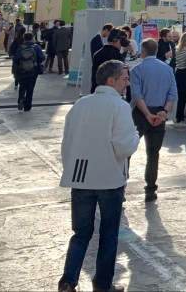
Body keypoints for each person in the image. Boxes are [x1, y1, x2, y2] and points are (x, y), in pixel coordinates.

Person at [58, 59, 140, 292]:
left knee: (81, 233)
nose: (127, 83)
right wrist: (135, 136)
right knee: (108, 234)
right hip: (109, 178)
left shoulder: (80, 104)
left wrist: (72, 168)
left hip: (81, 177)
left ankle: (68, 280)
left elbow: (67, 142)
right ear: (111, 81)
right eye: (124, 79)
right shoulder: (119, 107)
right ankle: (102, 284)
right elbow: (123, 147)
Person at [130, 39, 177, 202]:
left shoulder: (137, 69)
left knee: (127, 151)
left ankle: (120, 188)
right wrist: (164, 111)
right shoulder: (167, 69)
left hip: (141, 112)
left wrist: (146, 113)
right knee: (153, 153)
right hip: (160, 112)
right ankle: (150, 190)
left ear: (143, 52)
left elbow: (137, 95)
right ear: (156, 51)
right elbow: (172, 94)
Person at [14, 32, 45, 111]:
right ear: (32, 38)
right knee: (30, 89)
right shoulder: (36, 47)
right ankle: (27, 106)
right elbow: (42, 58)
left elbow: (16, 59)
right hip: (33, 71)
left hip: (22, 71)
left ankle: (21, 98)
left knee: (22, 87)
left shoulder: (21, 48)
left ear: (24, 39)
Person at [91, 29, 127, 94]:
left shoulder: (97, 54)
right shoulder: (117, 55)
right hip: (112, 92)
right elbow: (123, 75)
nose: (122, 44)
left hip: (97, 90)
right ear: (115, 39)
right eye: (122, 40)